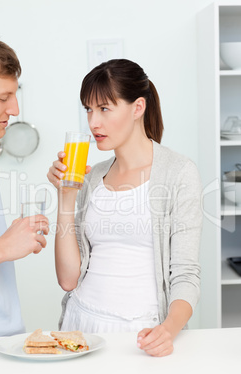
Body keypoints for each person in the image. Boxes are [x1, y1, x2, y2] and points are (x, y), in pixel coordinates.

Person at [47, 59, 202, 357]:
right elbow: (68, 279)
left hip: (142, 331)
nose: (93, 123)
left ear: (138, 107)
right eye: (89, 110)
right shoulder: (91, 177)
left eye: (104, 108)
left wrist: (167, 330)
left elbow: (186, 274)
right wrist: (65, 198)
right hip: (81, 324)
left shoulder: (179, 172)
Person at [0, 31, 49, 337]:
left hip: (3, 335)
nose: (15, 109)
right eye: (3, 98)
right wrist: (4, 246)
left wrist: (11, 238)